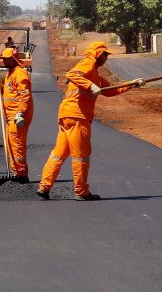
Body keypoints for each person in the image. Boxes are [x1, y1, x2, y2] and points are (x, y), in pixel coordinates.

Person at [37, 41, 145, 200]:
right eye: (105, 54)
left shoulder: (97, 76)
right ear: (98, 53)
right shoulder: (88, 63)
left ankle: (44, 187)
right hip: (78, 116)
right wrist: (90, 85)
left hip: (67, 115)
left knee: (59, 154)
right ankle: (81, 191)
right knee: (81, 154)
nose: (107, 58)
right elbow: (72, 74)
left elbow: (111, 90)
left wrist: (131, 84)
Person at [0, 46, 33, 183]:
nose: (4, 62)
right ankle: (16, 171)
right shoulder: (10, 73)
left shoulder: (20, 74)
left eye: (7, 59)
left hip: (17, 115)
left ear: (14, 59)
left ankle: (21, 174)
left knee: (17, 144)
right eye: (3, 59)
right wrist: (0, 86)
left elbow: (24, 96)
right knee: (11, 143)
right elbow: (11, 92)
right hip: (10, 116)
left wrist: (21, 113)